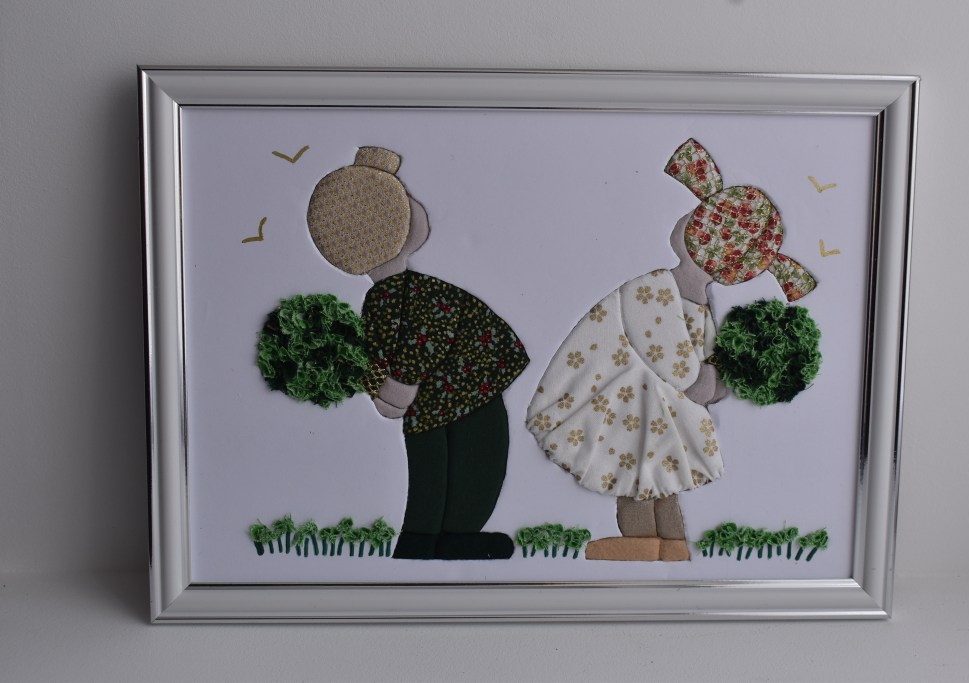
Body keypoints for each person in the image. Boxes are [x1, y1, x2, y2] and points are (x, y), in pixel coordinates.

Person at [525, 138, 816, 561]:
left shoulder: (667, 290)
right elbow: (675, 357)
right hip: (629, 400)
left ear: (691, 234)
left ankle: (654, 544)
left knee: (645, 479)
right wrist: (708, 380)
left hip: (647, 409)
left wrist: (712, 379)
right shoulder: (660, 291)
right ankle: (655, 543)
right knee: (645, 477)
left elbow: (686, 361)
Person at [307, 146, 529, 560]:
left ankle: (432, 538)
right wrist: (396, 387)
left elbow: (389, 349)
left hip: (448, 392)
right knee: (475, 463)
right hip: (467, 388)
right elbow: (419, 342)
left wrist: (386, 388)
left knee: (438, 467)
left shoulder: (384, 297)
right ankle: (435, 538)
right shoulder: (403, 293)